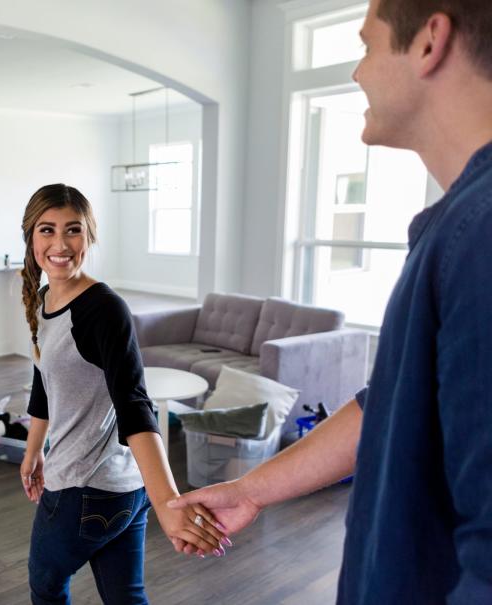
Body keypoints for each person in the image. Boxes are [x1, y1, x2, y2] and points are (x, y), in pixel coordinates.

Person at [169, 0, 492, 602]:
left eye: (367, 46)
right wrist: (250, 490)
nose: (356, 72)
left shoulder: (481, 235)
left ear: (430, 42)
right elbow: (388, 407)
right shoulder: (456, 229)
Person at [18, 184, 230, 605]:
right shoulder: (45, 300)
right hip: (121, 490)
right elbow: (43, 382)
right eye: (47, 230)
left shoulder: (102, 309)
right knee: (125, 598)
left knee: (46, 588)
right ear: (30, 236)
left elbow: (134, 405)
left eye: (73, 230)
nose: (60, 244)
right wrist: (32, 450)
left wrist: (168, 501)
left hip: (84, 489)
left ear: (90, 236)